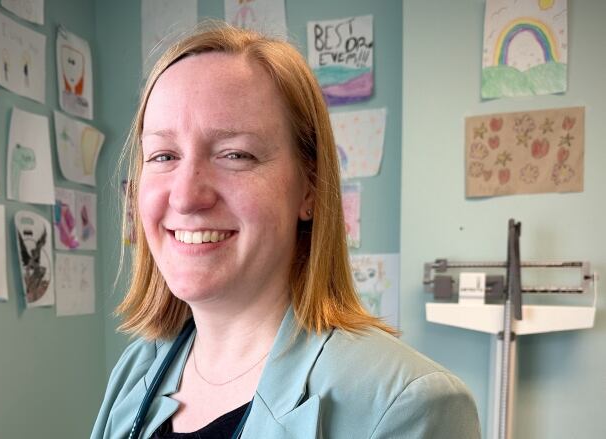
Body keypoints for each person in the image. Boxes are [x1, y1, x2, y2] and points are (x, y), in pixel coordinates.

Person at [92, 23, 480, 439]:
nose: (186, 197)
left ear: (309, 188)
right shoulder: (138, 371)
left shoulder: (405, 405)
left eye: (235, 154)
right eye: (164, 155)